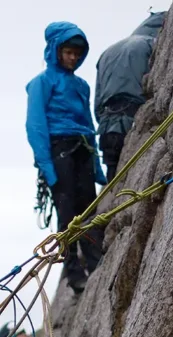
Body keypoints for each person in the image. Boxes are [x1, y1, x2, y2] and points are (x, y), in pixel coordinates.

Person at [26, 22, 107, 294]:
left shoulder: (81, 85)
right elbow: (35, 126)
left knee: (88, 209)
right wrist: (47, 168)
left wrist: (96, 167)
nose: (73, 58)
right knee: (67, 213)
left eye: (76, 53)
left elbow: (89, 124)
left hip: (82, 148)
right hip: (59, 150)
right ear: (56, 51)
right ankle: (74, 274)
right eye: (68, 52)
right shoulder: (41, 83)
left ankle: (97, 263)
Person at [95, 13, 168, 182]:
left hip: (107, 127)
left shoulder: (108, 52)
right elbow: (156, 84)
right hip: (133, 121)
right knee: (135, 180)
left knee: (114, 180)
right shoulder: (152, 44)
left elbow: (98, 102)